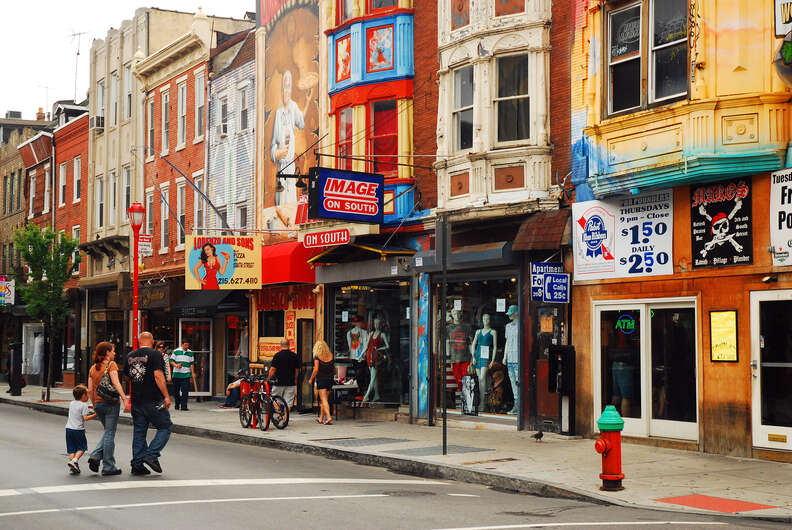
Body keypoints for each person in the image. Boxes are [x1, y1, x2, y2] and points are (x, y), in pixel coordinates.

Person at [124, 331, 172, 476]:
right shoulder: (155, 354)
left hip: (137, 400)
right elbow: (158, 375)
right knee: (165, 426)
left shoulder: (130, 356)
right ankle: (151, 454)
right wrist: (166, 396)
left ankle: (137, 464)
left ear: (139, 341)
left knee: (139, 432)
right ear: (151, 341)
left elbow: (127, 377)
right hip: (153, 399)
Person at [86, 342, 128, 476]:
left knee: (107, 433)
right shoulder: (111, 365)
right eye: (113, 351)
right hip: (111, 404)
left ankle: (97, 456)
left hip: (98, 404)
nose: (115, 353)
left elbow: (90, 389)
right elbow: (116, 383)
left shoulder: (93, 368)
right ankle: (108, 466)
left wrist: (94, 404)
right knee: (110, 434)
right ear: (107, 352)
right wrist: (124, 399)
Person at [65, 384, 96, 474]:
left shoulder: (72, 403)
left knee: (72, 449)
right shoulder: (84, 405)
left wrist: (88, 406)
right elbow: (85, 418)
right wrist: (95, 415)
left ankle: (73, 468)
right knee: (82, 447)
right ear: (83, 395)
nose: (88, 397)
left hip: (68, 429)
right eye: (87, 395)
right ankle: (74, 461)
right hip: (78, 430)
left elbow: (78, 407)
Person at [308, 340, 334, 425]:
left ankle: (329, 417)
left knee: (324, 400)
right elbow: (333, 368)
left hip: (321, 379)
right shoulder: (331, 355)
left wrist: (311, 379)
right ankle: (321, 418)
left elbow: (316, 369)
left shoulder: (317, 356)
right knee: (324, 400)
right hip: (330, 379)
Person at [269, 339, 299, 410]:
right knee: (288, 402)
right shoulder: (294, 356)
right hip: (291, 382)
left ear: (280, 345)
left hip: (278, 382)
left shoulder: (277, 355)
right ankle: (286, 418)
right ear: (289, 345)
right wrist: (295, 379)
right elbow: (297, 370)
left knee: (274, 399)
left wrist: (269, 378)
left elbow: (272, 369)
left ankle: (279, 413)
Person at [170, 341, 195, 411]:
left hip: (186, 374)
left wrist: (193, 373)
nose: (187, 347)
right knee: (176, 391)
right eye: (185, 345)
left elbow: (192, 363)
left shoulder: (190, 353)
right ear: (182, 345)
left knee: (185, 391)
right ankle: (177, 404)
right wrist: (176, 365)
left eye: (188, 345)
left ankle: (184, 406)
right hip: (176, 375)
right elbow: (171, 360)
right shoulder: (176, 351)